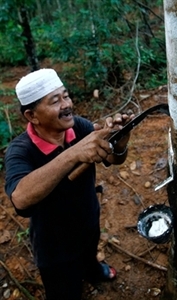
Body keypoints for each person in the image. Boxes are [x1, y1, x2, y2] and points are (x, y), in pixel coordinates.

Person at [4, 68, 133, 300]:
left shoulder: (79, 127)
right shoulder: (20, 151)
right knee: (64, 290)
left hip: (88, 219)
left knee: (89, 255)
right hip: (54, 245)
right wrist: (74, 154)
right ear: (32, 116)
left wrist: (120, 142)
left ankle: (93, 271)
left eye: (66, 96)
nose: (66, 104)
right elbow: (20, 199)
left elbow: (114, 158)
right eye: (55, 101)